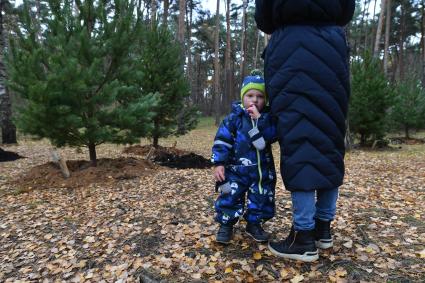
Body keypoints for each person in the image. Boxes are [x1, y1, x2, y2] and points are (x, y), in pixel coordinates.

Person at [254, 0, 355, 262]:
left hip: (289, 51)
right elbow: (346, 11)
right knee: (329, 146)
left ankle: (303, 237)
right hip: (331, 50)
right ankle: (323, 229)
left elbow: (263, 18)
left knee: (300, 147)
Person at [211, 75, 277, 244]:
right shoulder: (234, 119)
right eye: (250, 96)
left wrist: (259, 120)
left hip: (261, 171)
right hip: (236, 170)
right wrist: (219, 163)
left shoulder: (267, 118)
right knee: (230, 196)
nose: (255, 100)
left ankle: (254, 223)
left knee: (261, 197)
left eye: (260, 96)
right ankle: (226, 223)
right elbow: (222, 141)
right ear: (243, 97)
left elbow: (272, 135)